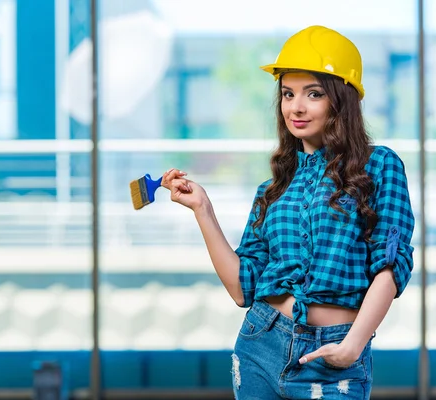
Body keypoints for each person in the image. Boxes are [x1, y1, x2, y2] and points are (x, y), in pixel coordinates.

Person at [161, 25, 415, 400]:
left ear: (342, 100)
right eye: (287, 94)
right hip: (260, 344)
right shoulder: (274, 188)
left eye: (314, 94)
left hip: (334, 356)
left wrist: (353, 346)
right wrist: (203, 210)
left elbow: (391, 265)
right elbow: (242, 288)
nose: (296, 107)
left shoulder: (379, 166)